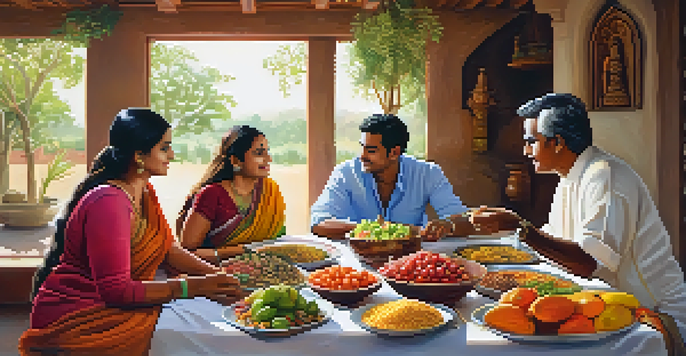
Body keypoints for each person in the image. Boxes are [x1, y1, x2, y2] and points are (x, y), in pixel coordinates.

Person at [18, 109, 244, 356]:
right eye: (164, 147)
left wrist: (219, 277)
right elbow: (117, 292)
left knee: (220, 315)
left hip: (125, 302)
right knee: (209, 333)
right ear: (139, 155)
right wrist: (195, 287)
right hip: (84, 315)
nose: (172, 155)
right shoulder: (109, 202)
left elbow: (167, 248)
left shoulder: (144, 192)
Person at [513, 93, 686, 355]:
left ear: (557, 142)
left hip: (655, 319)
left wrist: (522, 229)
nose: (525, 151)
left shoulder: (605, 176)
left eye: (531, 141)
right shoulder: (569, 178)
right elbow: (549, 244)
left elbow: (589, 262)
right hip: (608, 310)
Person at [310, 114, 520, 240]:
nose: (362, 156)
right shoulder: (346, 172)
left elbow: (460, 217)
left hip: (413, 261)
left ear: (394, 152)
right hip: (357, 262)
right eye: (362, 147)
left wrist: (448, 226)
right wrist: (381, 230)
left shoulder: (427, 173)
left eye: (371, 150)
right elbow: (319, 223)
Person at [177, 125, 286, 265]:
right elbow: (186, 253)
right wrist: (241, 252)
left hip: (264, 271)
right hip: (214, 275)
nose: (268, 159)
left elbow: (277, 242)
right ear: (235, 160)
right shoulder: (212, 194)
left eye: (267, 152)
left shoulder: (270, 192)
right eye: (259, 153)